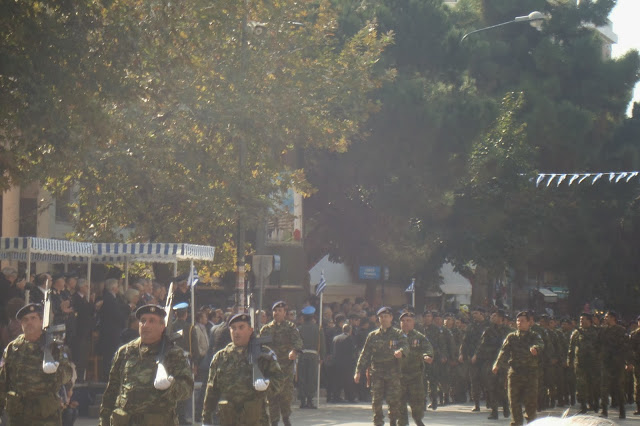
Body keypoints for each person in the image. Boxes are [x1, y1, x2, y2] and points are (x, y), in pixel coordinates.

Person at [98, 304, 194, 425]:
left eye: (152, 321)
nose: (146, 325)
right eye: (142, 321)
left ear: (162, 326)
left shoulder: (174, 354)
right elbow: (111, 391)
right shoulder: (125, 352)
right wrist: (103, 422)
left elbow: (188, 388)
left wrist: (170, 386)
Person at [202, 313, 285, 426]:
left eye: (241, 327)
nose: (236, 332)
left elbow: (279, 381)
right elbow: (211, 390)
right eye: (233, 328)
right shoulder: (220, 357)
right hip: (228, 420)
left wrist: (267, 385)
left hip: (256, 420)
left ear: (250, 330)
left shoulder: (263, 355)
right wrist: (206, 420)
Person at [0, 303, 74, 425]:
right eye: (25, 320)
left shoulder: (53, 346)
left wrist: (56, 368)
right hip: (18, 414)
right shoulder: (13, 348)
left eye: (33, 318)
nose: (29, 322)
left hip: (45, 415)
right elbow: (2, 381)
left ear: (41, 321)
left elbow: (67, 375)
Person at [354, 306, 408, 426]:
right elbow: (365, 354)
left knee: (393, 401)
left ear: (391, 318)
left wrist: (401, 352)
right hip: (377, 373)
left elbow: (405, 346)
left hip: (393, 373)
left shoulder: (398, 334)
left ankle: (393, 422)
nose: (384, 319)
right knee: (376, 401)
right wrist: (358, 371)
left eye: (386, 317)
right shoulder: (372, 335)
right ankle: (378, 422)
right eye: (381, 317)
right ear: (378, 319)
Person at [492, 311, 544, 426]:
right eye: (518, 321)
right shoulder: (511, 337)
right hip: (515, 373)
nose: (520, 323)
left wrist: (535, 349)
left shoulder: (534, 336)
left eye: (522, 321)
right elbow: (504, 351)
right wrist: (497, 364)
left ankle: (531, 422)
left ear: (529, 322)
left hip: (530, 373)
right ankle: (516, 423)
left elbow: (540, 344)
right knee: (514, 401)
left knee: (530, 402)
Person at [259, 300, 303, 426]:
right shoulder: (266, 329)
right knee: (272, 396)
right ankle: (274, 421)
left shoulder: (290, 327)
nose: (277, 313)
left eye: (280, 311)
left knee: (285, 396)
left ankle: (286, 418)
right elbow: (259, 347)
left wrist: (294, 351)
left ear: (284, 313)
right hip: (271, 369)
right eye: (275, 311)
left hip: (285, 369)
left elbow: (298, 342)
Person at [398, 310, 433, 426]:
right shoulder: (395, 336)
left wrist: (427, 355)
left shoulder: (419, 337)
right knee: (399, 403)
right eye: (403, 321)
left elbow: (427, 348)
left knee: (417, 403)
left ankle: (418, 420)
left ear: (413, 323)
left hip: (415, 375)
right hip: (399, 375)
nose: (405, 323)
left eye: (408, 320)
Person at [475, 309, 511, 420]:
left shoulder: (508, 331)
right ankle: (494, 411)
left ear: (501, 318)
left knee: (501, 386)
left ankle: (505, 405)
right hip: (490, 361)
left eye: (495, 315)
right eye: (492, 315)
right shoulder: (488, 331)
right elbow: (481, 345)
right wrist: (477, 356)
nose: (492, 317)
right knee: (491, 386)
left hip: (503, 363)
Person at [599, 310, 629, 419]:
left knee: (619, 387)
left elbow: (624, 346)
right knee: (604, 387)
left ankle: (622, 410)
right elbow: (599, 344)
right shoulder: (603, 330)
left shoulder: (621, 330)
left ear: (613, 318)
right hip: (606, 362)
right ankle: (604, 410)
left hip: (617, 363)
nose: (605, 318)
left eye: (607, 317)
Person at [568, 313, 600, 414]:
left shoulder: (597, 331)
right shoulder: (576, 333)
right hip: (580, 364)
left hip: (593, 363)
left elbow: (601, 346)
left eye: (584, 319)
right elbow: (571, 348)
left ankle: (593, 403)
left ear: (590, 321)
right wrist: (569, 360)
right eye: (580, 319)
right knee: (581, 385)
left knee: (593, 384)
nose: (581, 321)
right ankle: (583, 405)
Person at [297, 305, 324, 409]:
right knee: (312, 378)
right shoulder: (318, 329)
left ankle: (303, 401)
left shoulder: (299, 329)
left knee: (302, 377)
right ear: (313, 317)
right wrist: (322, 356)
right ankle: (310, 400)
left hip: (302, 355)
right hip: (313, 356)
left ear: (303, 317)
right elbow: (322, 344)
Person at [629, 314, 640, 415]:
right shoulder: (634, 335)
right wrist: (630, 362)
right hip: (638, 363)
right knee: (638, 386)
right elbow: (630, 350)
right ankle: (639, 407)